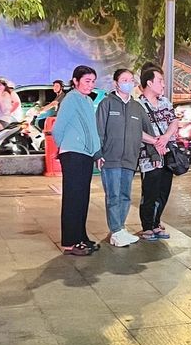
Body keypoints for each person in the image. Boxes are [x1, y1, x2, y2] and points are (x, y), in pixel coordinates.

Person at [96, 68, 152, 248]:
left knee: (125, 196)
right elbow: (99, 131)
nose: (128, 82)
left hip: (130, 159)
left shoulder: (137, 107)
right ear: (116, 83)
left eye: (130, 79)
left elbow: (147, 131)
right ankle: (116, 231)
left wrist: (154, 152)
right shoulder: (107, 104)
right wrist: (98, 153)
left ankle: (119, 229)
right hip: (110, 159)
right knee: (113, 195)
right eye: (124, 79)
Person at [54, 66, 103, 255]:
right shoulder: (71, 99)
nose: (91, 85)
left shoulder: (87, 101)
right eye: (87, 81)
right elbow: (59, 128)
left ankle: (81, 237)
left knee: (82, 198)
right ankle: (70, 242)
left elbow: (92, 129)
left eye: (93, 81)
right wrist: (62, 148)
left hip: (85, 154)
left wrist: (97, 153)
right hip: (73, 153)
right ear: (75, 81)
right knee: (73, 199)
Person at [137, 66, 180, 241]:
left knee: (164, 190)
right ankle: (147, 226)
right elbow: (136, 130)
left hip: (167, 153)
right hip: (149, 156)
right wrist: (156, 141)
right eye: (160, 80)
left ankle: (156, 223)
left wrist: (165, 138)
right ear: (149, 82)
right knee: (150, 191)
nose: (163, 84)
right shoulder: (138, 106)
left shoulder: (165, 102)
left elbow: (174, 121)